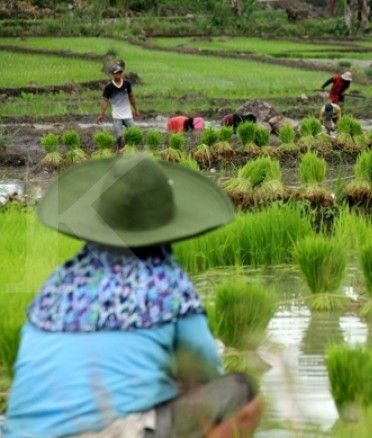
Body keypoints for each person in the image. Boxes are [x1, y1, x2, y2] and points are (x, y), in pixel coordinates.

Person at [2, 154, 263, 437]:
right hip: (114, 432)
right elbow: (206, 373)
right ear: (167, 226)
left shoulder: (57, 284)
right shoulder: (166, 287)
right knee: (240, 392)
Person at [96, 64, 140, 149]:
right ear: (112, 74)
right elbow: (105, 101)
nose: (119, 74)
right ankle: (119, 152)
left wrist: (136, 109)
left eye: (120, 72)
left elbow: (131, 97)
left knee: (135, 134)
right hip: (117, 116)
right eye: (117, 73)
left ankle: (131, 150)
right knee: (119, 138)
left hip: (128, 115)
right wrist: (101, 115)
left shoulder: (127, 84)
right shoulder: (109, 87)